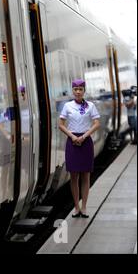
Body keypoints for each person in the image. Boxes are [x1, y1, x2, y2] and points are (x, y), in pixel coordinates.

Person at [59, 79, 100, 218]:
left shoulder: (90, 106)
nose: (78, 92)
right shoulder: (67, 106)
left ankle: (84, 207)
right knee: (74, 176)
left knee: (86, 176)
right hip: (72, 142)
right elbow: (61, 124)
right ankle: (76, 207)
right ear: (72, 90)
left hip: (85, 141)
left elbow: (96, 123)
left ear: (84, 91)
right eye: (75, 89)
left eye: (80, 89)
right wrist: (72, 136)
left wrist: (84, 136)